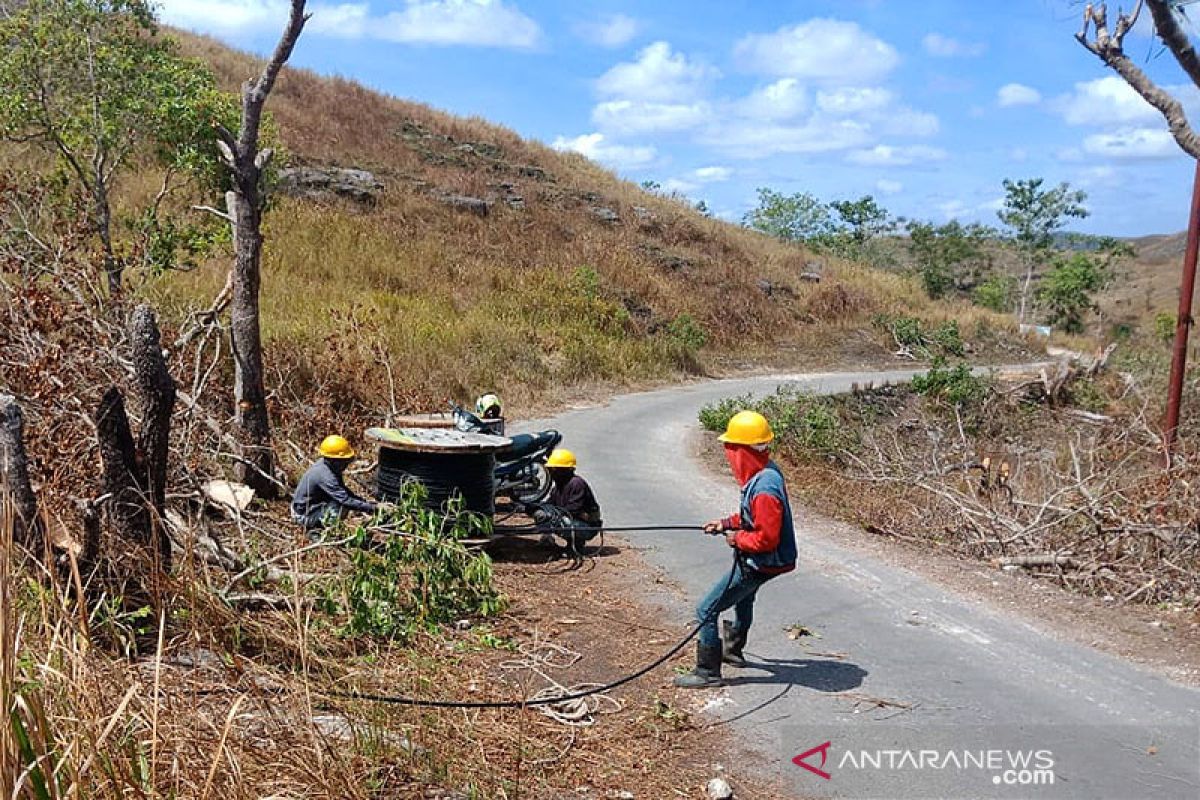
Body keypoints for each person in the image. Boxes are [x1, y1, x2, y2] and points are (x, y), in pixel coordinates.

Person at [674, 410, 796, 689]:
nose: (728, 454)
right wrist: (725, 523)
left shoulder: (765, 487)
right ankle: (733, 650)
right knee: (744, 599)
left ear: (742, 450)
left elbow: (766, 538)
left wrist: (737, 539)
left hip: (764, 560)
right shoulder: (766, 471)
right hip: (770, 561)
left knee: (705, 610)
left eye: (730, 448)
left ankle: (707, 672)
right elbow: (752, 516)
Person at [291, 435, 379, 532]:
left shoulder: (328, 466)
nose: (346, 465)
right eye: (344, 461)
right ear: (335, 460)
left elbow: (343, 490)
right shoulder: (325, 475)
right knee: (340, 506)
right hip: (302, 515)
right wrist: (371, 508)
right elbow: (345, 500)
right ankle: (316, 530)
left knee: (342, 503)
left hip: (310, 507)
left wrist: (365, 502)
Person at [542, 448, 602, 551]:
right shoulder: (558, 486)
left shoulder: (577, 484)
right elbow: (549, 504)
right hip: (572, 521)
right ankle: (549, 540)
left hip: (587, 526)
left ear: (565, 470)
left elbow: (572, 510)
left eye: (554, 469)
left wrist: (552, 514)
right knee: (543, 515)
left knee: (559, 521)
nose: (551, 472)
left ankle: (577, 544)